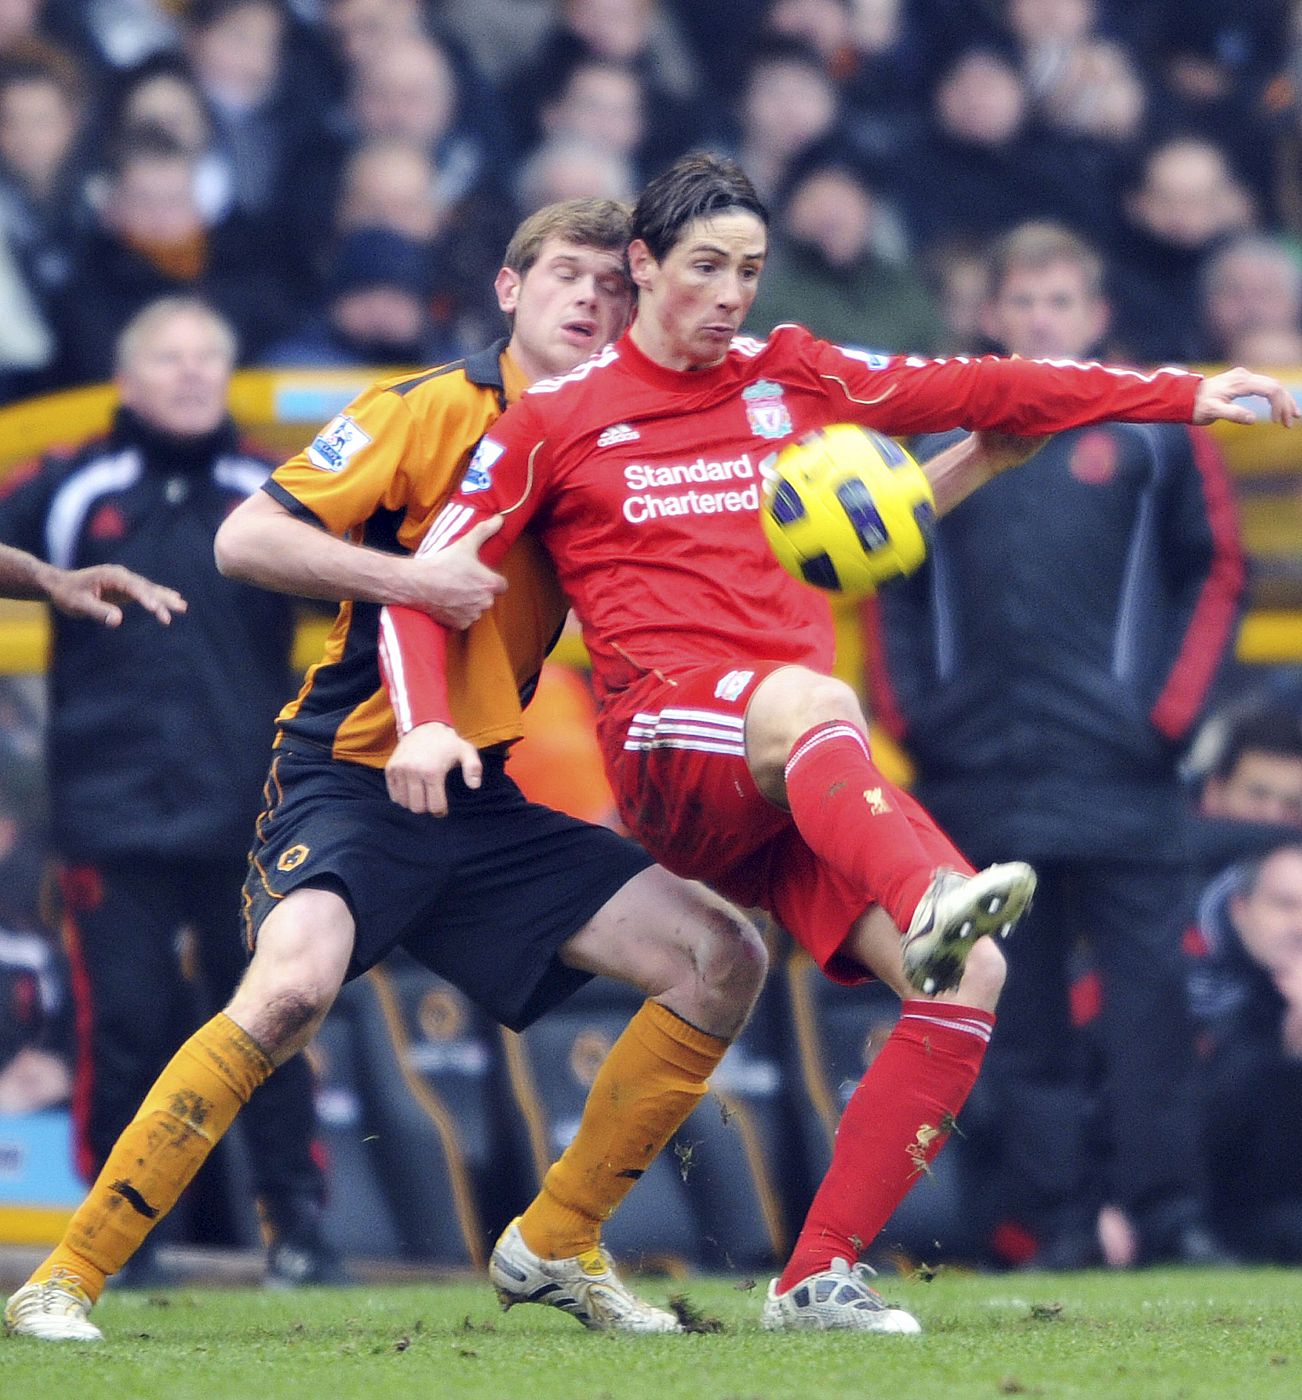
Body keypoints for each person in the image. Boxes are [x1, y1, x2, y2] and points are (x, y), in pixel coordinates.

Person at [377, 153, 1295, 1332]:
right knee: (821, 708)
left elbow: (984, 381)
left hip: (786, 773)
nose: (729, 293)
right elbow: (423, 583)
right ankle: (931, 891)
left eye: (749, 270)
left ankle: (815, 1272)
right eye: (704, 266)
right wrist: (426, 722)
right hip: (668, 744)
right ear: (643, 264)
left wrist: (1180, 392)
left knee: (972, 974)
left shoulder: (795, 371)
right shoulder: (552, 417)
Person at [3, 197, 767, 1342]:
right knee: (290, 990)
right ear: (509, 290)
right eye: (566, 275)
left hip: (481, 793)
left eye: (615, 286)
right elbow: (245, 539)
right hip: (351, 771)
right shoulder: (425, 408)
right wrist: (415, 583)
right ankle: (65, 1275)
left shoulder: (631, 439)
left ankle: (556, 1241)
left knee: (722, 956)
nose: (590, 300)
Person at [871, 221, 1243, 1268]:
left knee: (1151, 1014)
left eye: (1061, 301)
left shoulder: (1157, 429)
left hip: (1128, 779)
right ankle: (1053, 1224)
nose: (1042, 318)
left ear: (1096, 315)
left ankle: (1170, 1220)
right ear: (991, 315)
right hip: (975, 775)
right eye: (1023, 302)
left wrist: (1164, 717)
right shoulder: (932, 433)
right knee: (1016, 1015)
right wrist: (915, 718)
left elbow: (1214, 573)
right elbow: (884, 587)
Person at [0, 294, 337, 1297]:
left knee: (274, 1019)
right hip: (110, 812)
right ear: (129, 376)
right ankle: (119, 1235)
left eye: (209, 355)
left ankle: (300, 1232)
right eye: (171, 355)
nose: (192, 373)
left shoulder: (272, 490)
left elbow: (363, 592)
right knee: (126, 1022)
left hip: (252, 812)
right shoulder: (66, 484)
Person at [1190, 842, 1302, 1262]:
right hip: (1225, 1224)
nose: (1299, 924)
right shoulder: (1193, 997)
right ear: (1239, 910)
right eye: (1284, 905)